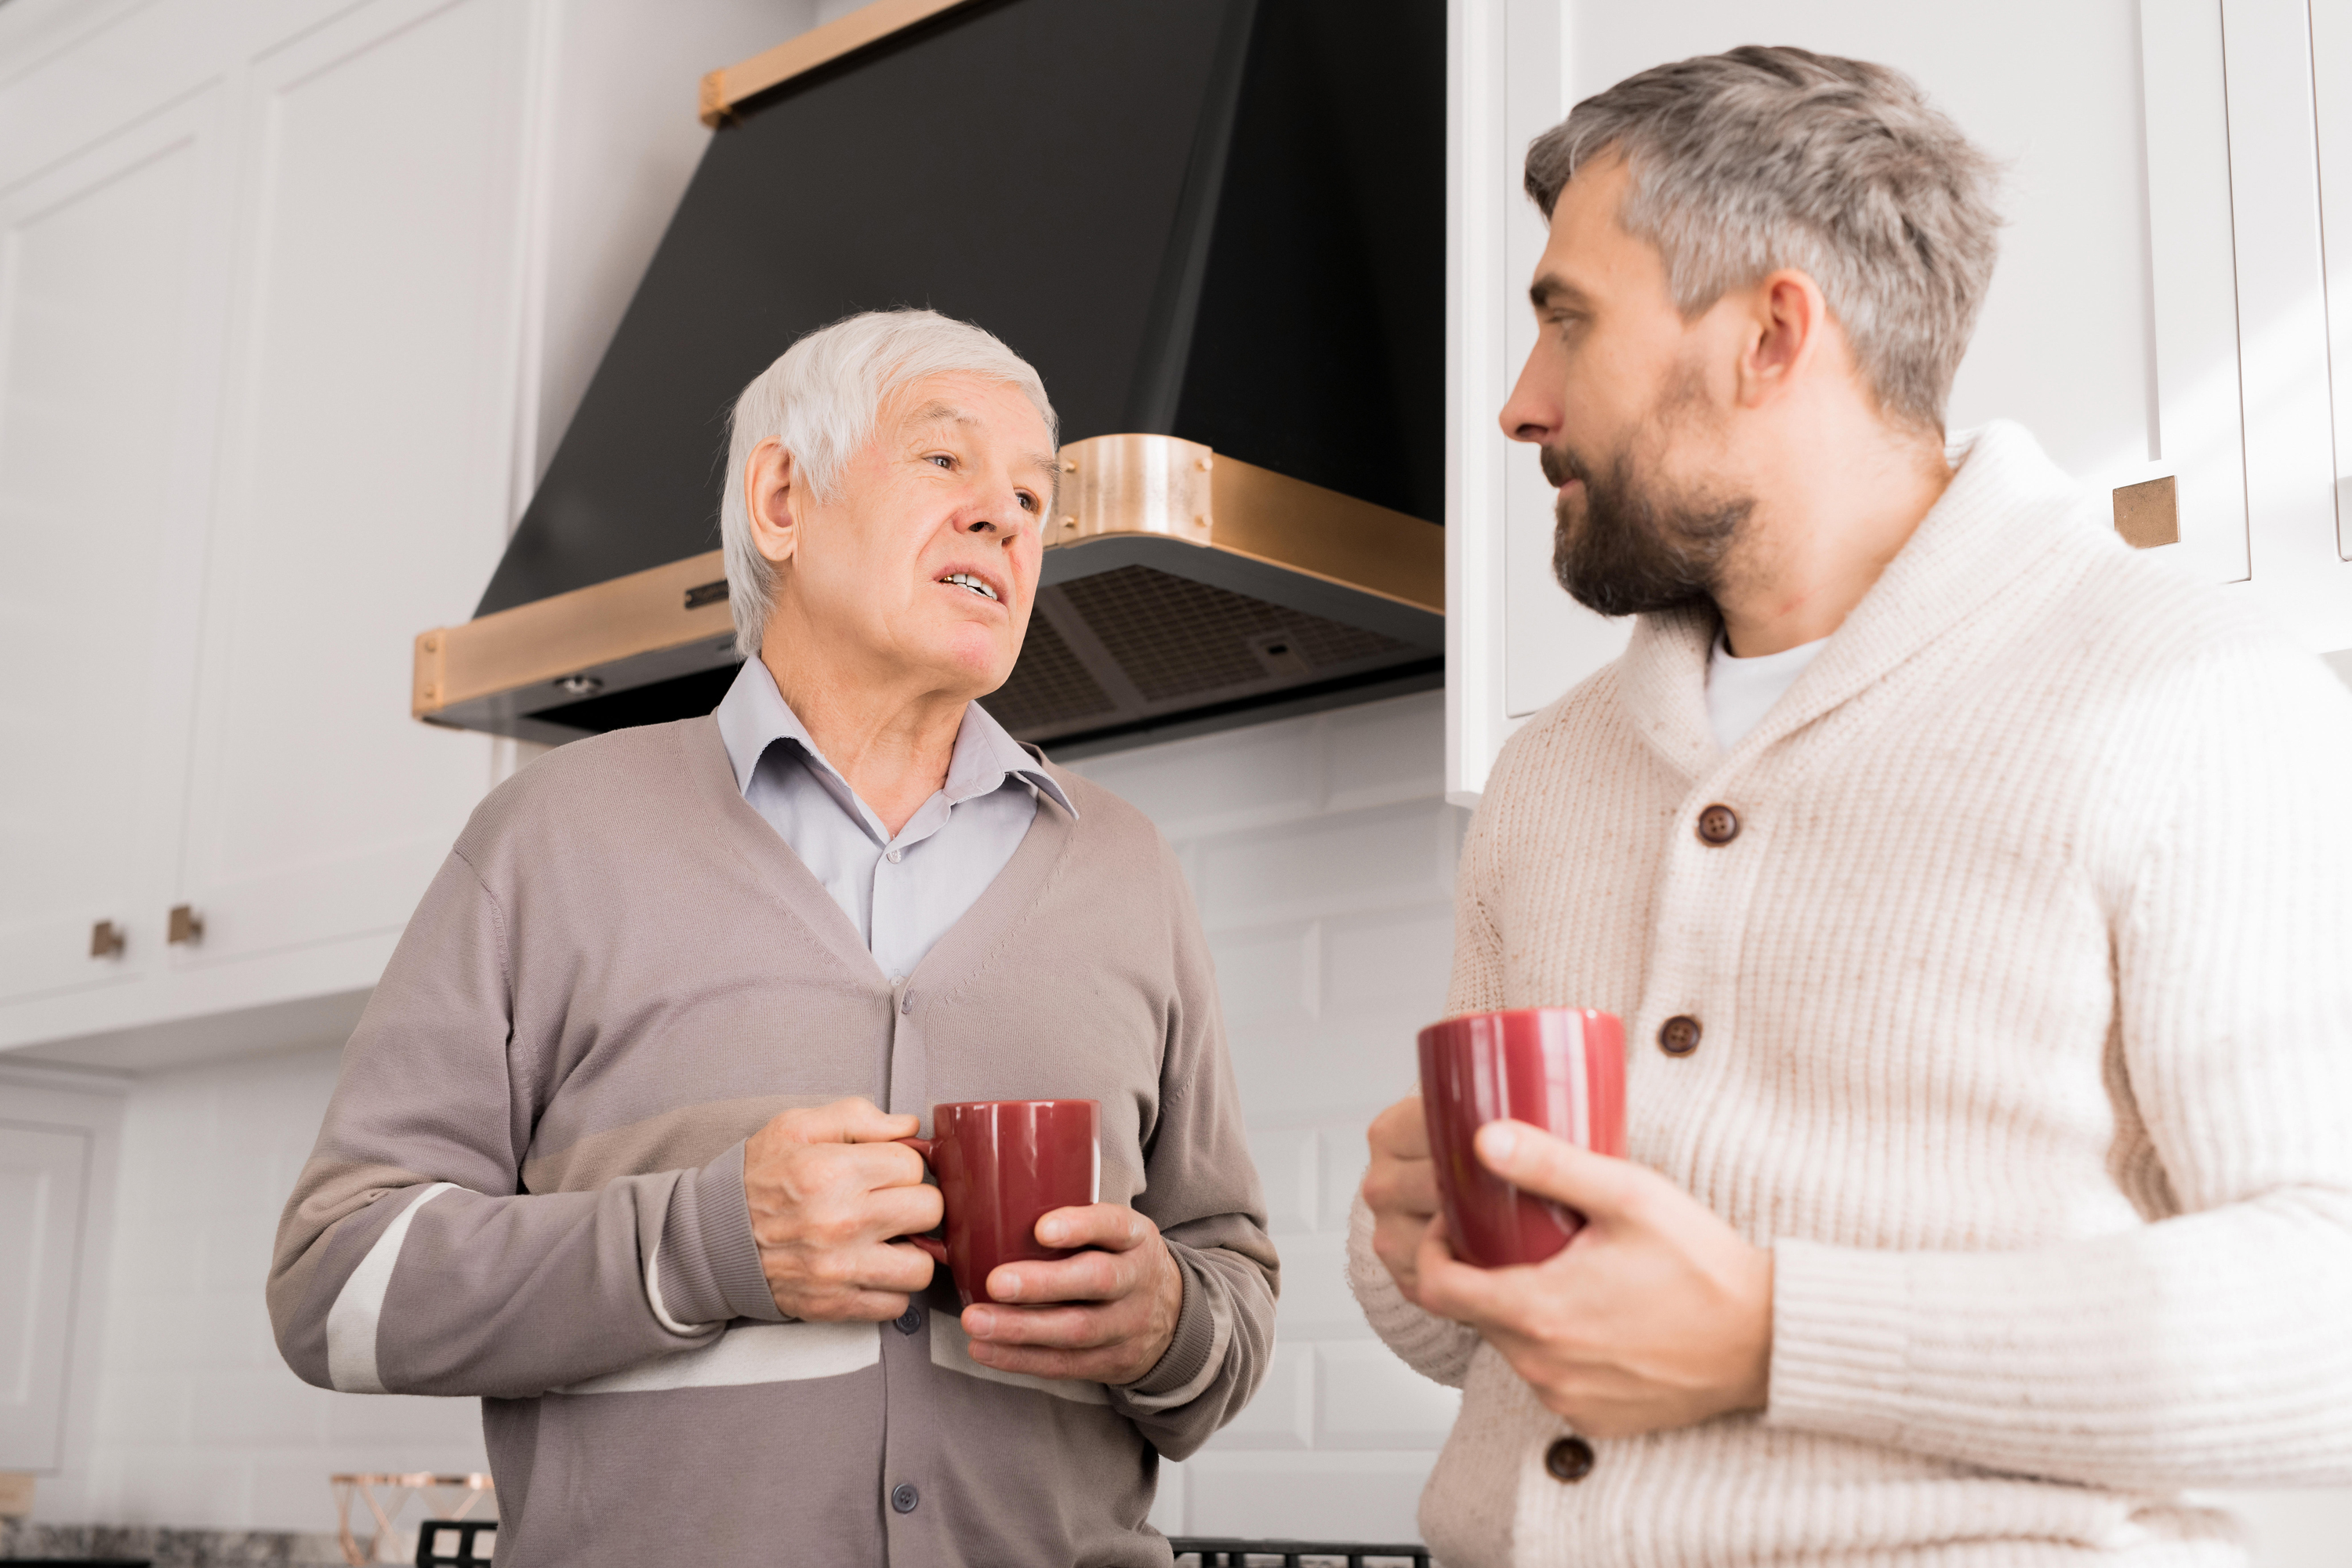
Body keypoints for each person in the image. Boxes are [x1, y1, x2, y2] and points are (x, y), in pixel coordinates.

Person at [1348, 45, 2352, 1566]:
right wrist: (1418, 1245)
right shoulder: (1555, 771)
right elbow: (1479, 1341)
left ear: (1770, 333)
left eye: (1568, 322)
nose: (1519, 404)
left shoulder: (2189, 695)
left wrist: (1773, 1330)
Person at [270, 309, 1276, 1567]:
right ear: (783, 501)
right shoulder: (548, 842)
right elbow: (335, 1291)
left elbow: (1232, 1290)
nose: (1008, 515)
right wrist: (703, 1245)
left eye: (1035, 493)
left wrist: (1166, 1325)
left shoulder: (1130, 872)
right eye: (946, 460)